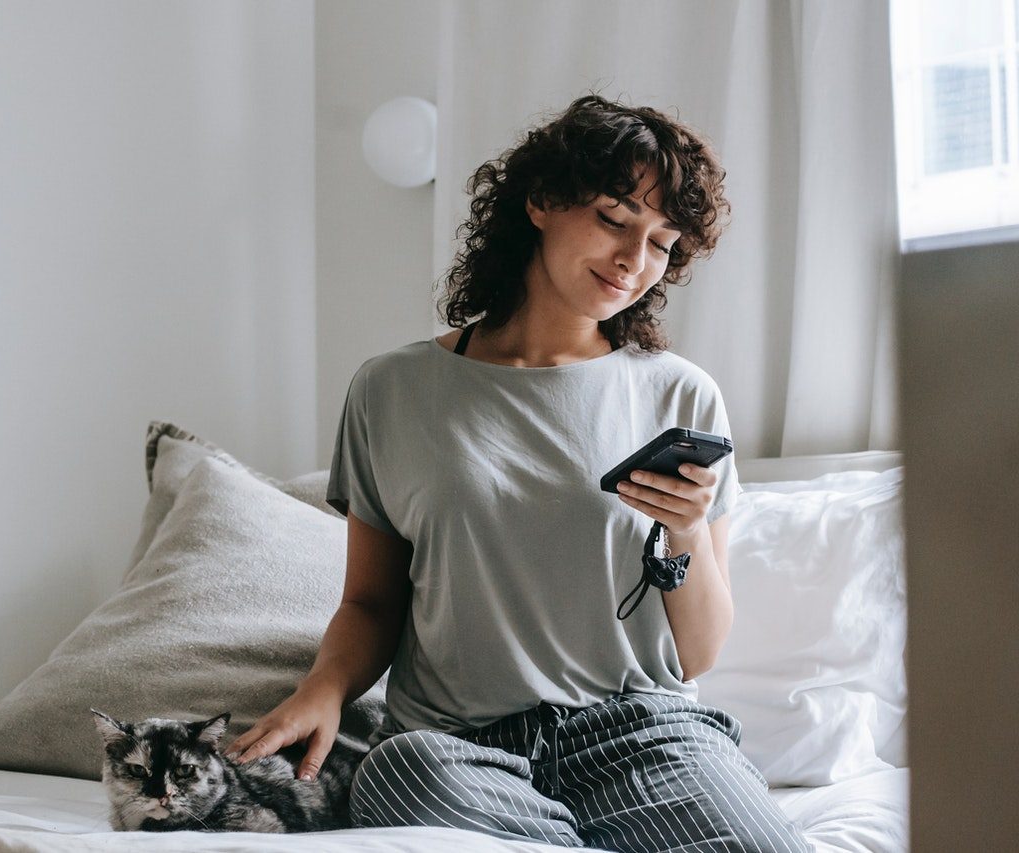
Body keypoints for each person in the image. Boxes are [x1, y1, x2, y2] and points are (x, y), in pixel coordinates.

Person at [223, 93, 813, 852]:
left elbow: (696, 656)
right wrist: (322, 689)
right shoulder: (389, 390)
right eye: (615, 218)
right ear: (540, 201)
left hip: (643, 735)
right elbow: (371, 601)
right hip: (458, 749)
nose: (635, 260)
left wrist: (688, 531)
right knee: (396, 777)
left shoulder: (680, 395)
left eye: (662, 243)